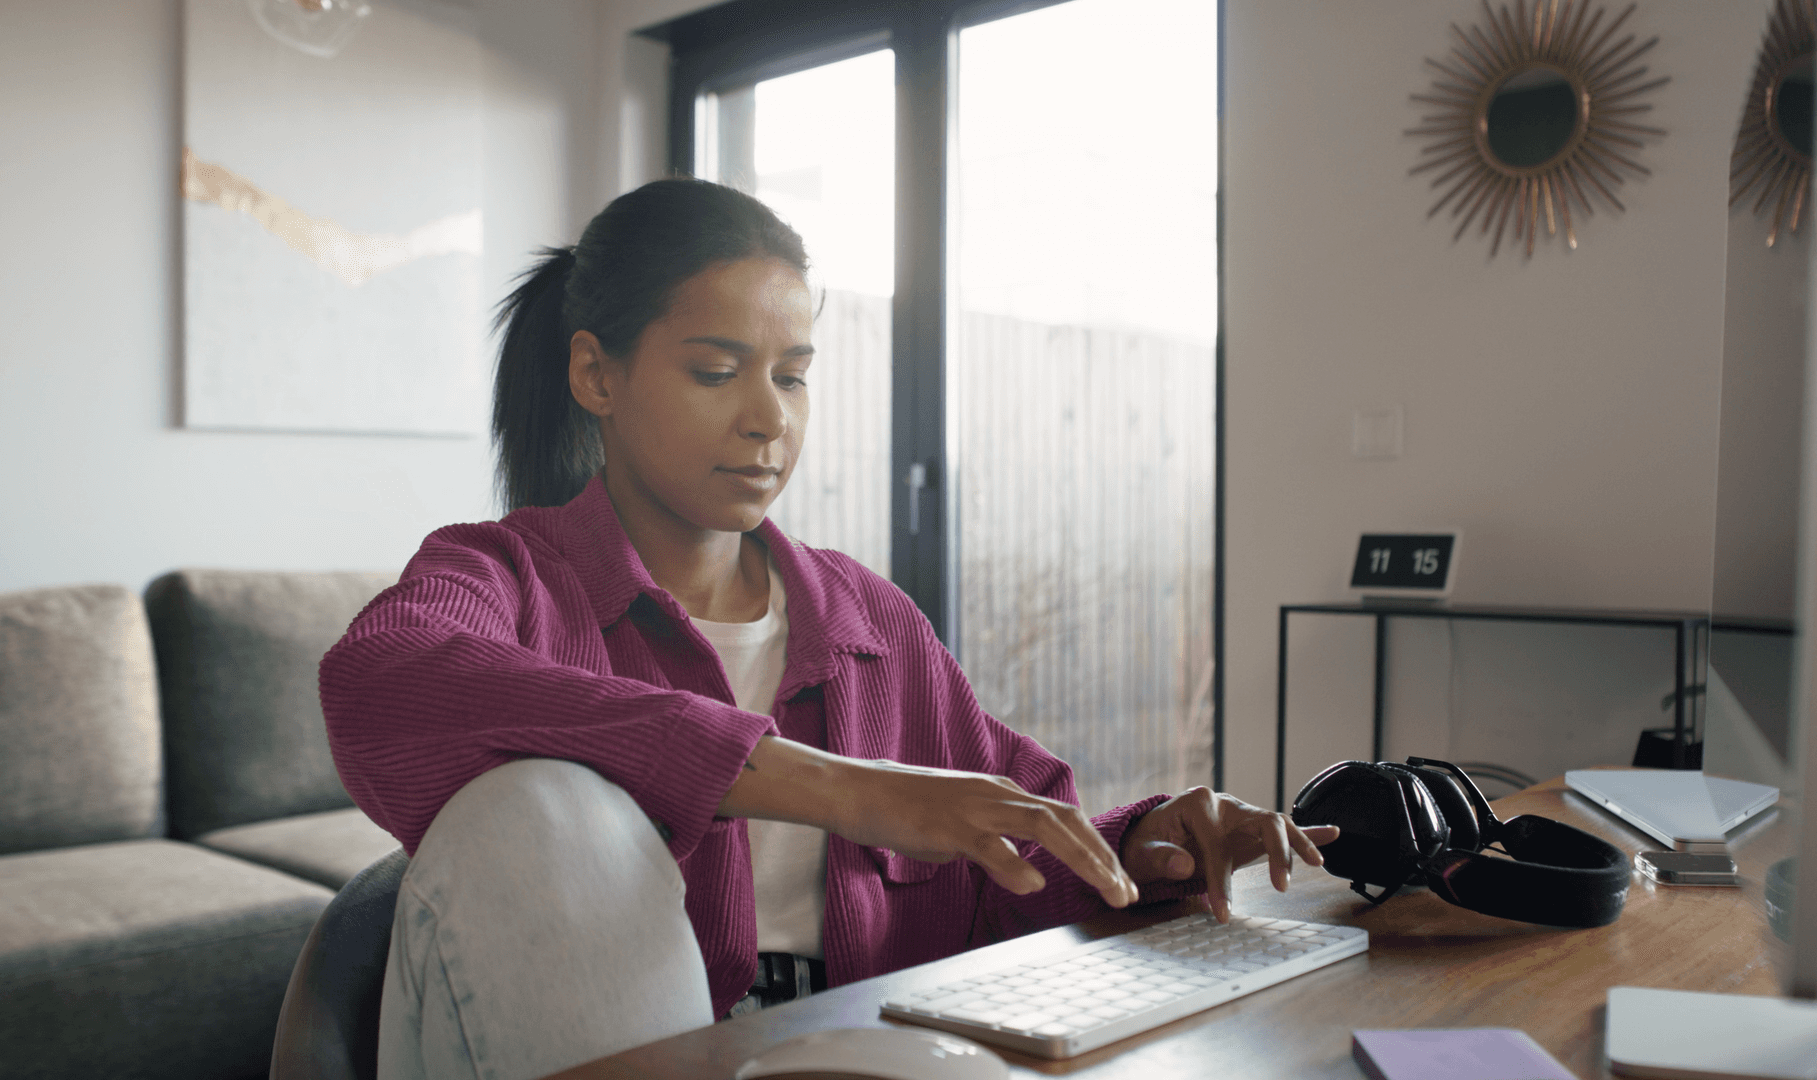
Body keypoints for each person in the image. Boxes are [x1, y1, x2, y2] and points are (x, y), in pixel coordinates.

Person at [318, 177, 1337, 1080]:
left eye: (792, 374)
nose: (770, 419)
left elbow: (1013, 850)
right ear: (598, 376)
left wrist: (1153, 844)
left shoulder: (870, 624)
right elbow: (380, 679)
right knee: (543, 803)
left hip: (843, 1056)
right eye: (717, 371)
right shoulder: (500, 574)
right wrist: (842, 788)